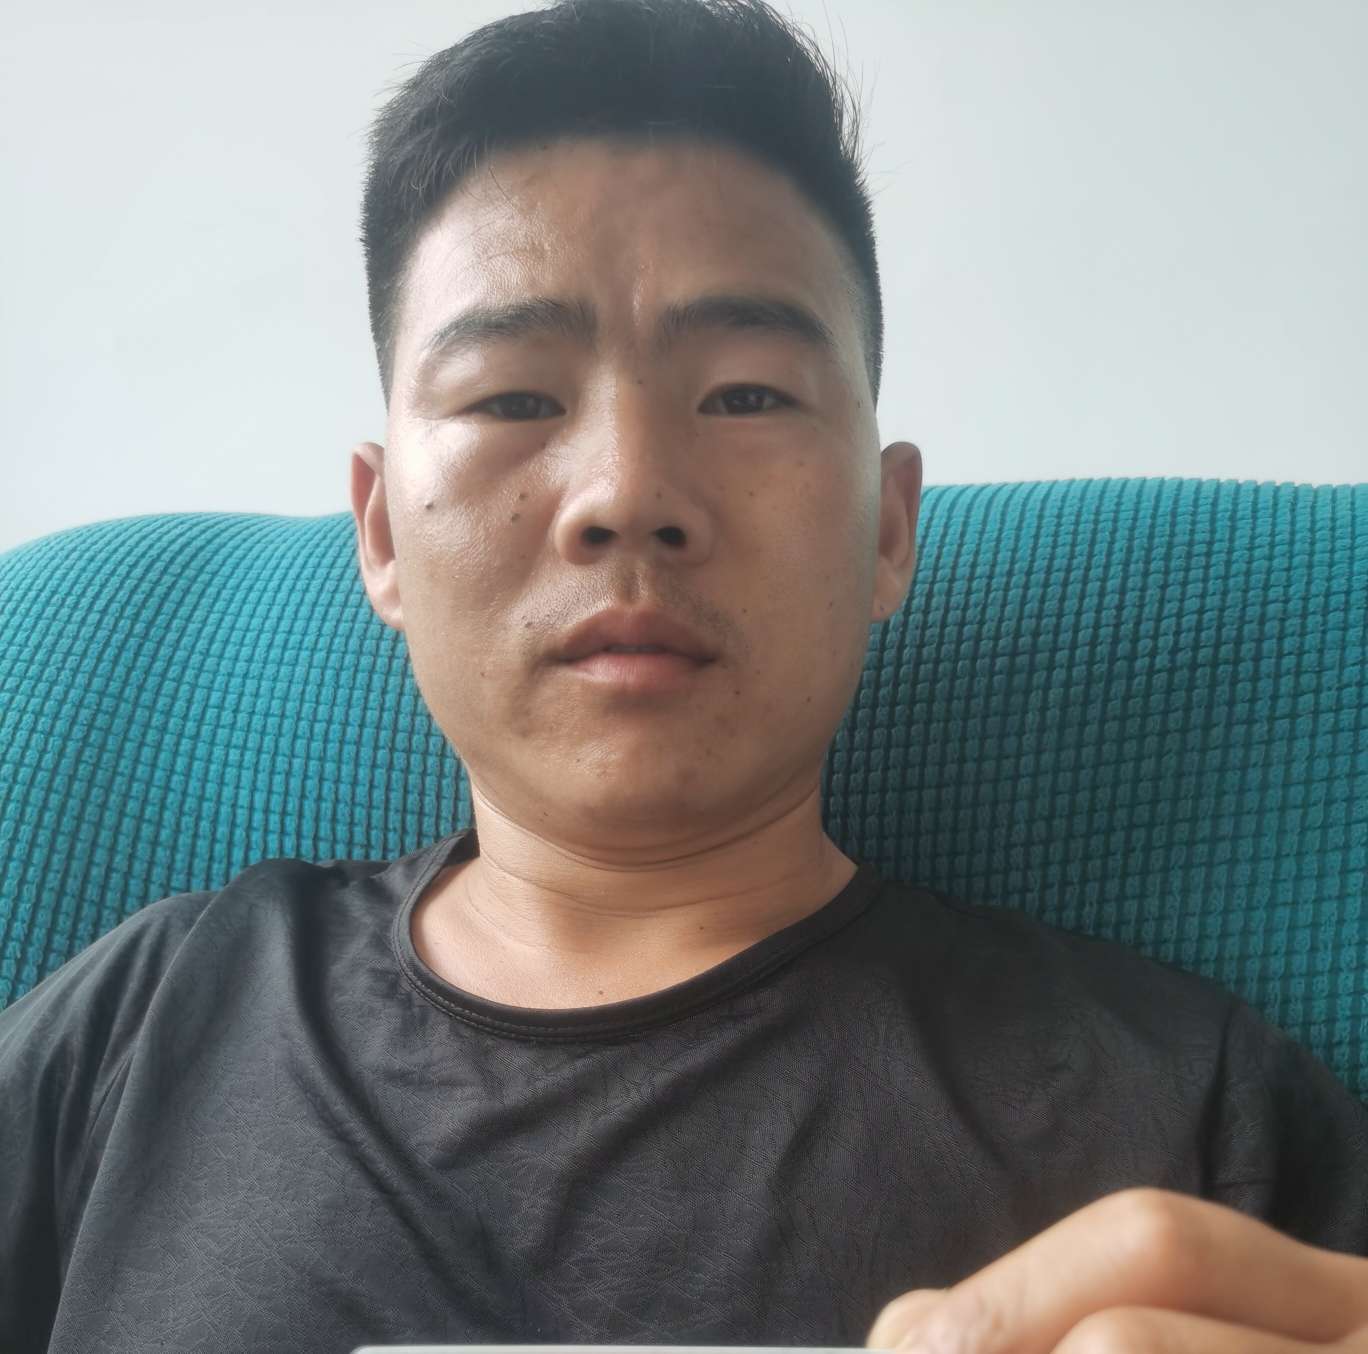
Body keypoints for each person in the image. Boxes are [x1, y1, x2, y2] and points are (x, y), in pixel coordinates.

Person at [3, 1, 1367, 1350]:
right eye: (513, 398)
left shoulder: (1190, 1119)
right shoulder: (142, 1024)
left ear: (888, 529)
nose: (629, 492)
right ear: (382, 536)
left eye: (747, 395)